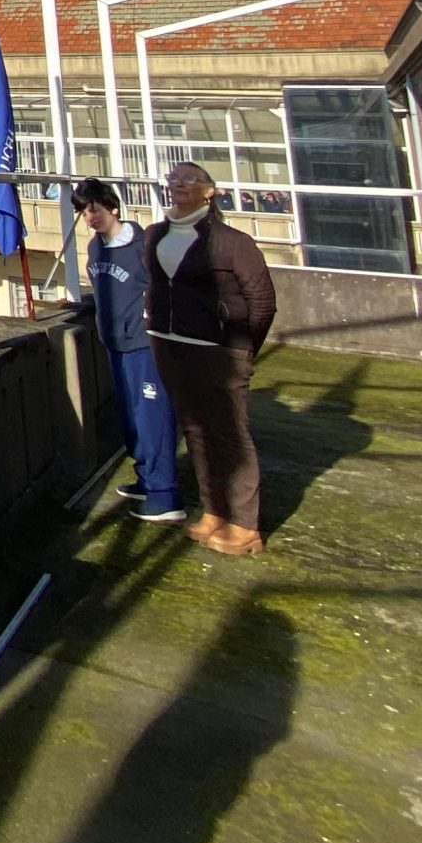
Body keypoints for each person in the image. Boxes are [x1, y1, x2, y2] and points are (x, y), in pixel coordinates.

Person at [145, 159, 278, 558]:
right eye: (173, 178)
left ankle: (245, 524)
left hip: (218, 349)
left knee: (230, 433)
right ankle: (214, 510)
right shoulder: (155, 235)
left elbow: (262, 301)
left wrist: (240, 345)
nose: (178, 183)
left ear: (209, 191)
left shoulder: (230, 241)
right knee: (196, 431)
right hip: (169, 343)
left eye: (189, 178)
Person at [75, 177, 184, 524]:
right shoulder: (96, 248)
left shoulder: (143, 246)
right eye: (82, 212)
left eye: (93, 210)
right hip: (115, 343)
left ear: (112, 208)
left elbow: (169, 288)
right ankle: (146, 478)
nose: (89, 219)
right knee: (131, 417)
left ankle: (165, 495)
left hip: (145, 344)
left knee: (153, 416)